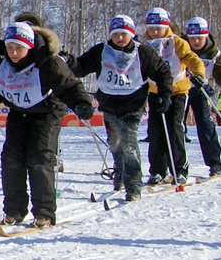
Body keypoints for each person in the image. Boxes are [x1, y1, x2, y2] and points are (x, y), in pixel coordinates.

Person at [0, 20, 94, 227]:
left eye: (19, 48)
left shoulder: (49, 62)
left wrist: (82, 103)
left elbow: (69, 86)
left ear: (30, 46)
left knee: (40, 158)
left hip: (48, 111)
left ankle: (44, 212)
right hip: (19, 112)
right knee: (12, 158)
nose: (13, 53)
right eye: (10, 47)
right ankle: (14, 210)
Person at [72, 14, 172, 201]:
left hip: (133, 105)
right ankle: (119, 174)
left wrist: (165, 95)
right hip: (109, 105)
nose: (119, 38)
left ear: (131, 34)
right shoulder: (101, 51)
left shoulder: (143, 53)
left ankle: (133, 186)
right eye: (116, 34)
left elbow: (163, 73)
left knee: (129, 142)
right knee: (115, 143)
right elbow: (81, 67)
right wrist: (70, 62)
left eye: (124, 34)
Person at [141, 8, 203, 185]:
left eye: (158, 28)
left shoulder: (177, 42)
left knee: (175, 127)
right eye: (151, 28)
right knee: (155, 131)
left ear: (167, 26)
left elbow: (192, 58)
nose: (154, 32)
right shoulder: (145, 45)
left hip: (177, 91)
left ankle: (179, 169)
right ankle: (158, 170)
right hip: (155, 91)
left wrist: (199, 73)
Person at [182, 17, 221, 178]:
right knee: (178, 127)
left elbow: (220, 73)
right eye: (193, 38)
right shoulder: (180, 47)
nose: (196, 41)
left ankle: (215, 164)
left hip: (201, 90)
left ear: (206, 36)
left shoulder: (213, 52)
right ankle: (177, 167)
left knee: (206, 124)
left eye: (200, 37)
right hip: (181, 90)